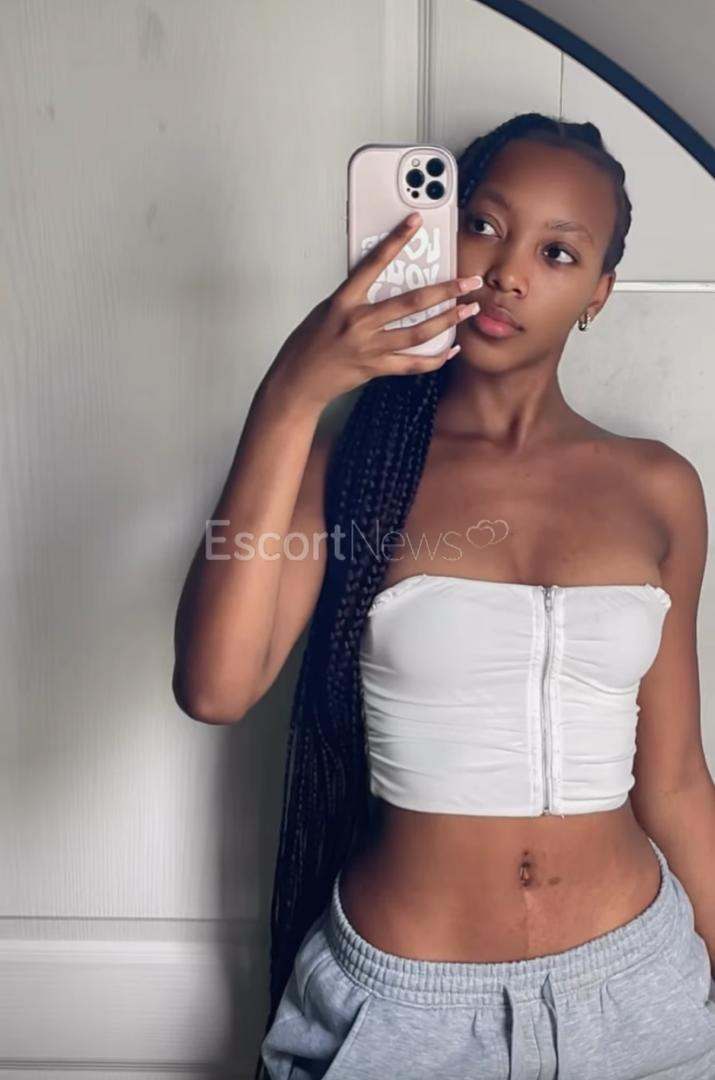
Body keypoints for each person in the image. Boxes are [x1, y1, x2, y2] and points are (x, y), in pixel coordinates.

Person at [172, 112, 715, 1079]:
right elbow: (214, 688)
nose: (507, 272)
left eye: (556, 252)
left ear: (597, 293)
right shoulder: (347, 471)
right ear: (435, 235)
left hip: (642, 995)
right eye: (484, 225)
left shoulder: (659, 488)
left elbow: (672, 781)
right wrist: (293, 390)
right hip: (401, 1016)